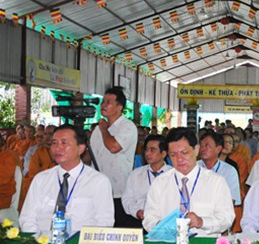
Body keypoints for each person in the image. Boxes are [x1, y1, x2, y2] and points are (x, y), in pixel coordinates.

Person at [20, 124, 114, 233]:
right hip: (43, 241)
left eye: (64, 143)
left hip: (81, 242)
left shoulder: (98, 182)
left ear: (80, 148)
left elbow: (104, 223)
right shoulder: (41, 179)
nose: (57, 148)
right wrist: (40, 240)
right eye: (54, 143)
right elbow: (27, 218)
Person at [143, 128, 234, 236]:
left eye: (184, 153)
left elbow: (227, 218)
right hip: (168, 243)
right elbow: (148, 218)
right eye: (173, 155)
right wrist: (161, 226)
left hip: (203, 242)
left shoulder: (215, 182)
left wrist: (202, 222)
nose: (179, 159)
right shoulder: (160, 183)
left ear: (196, 150)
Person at [89, 86, 138, 228]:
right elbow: (90, 156)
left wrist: (104, 130)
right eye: (103, 101)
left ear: (119, 107)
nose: (103, 105)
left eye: (108, 102)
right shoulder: (98, 129)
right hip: (97, 190)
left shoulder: (127, 127)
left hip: (118, 192)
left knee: (117, 231)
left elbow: (114, 147)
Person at [121, 135, 172, 223]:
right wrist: (137, 212)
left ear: (163, 154)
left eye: (152, 150)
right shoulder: (136, 174)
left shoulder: (173, 174)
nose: (147, 153)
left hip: (167, 221)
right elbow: (127, 199)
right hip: (140, 220)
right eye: (146, 149)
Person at [197, 131, 241, 207]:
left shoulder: (229, 171)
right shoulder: (193, 167)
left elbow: (230, 202)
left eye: (207, 145)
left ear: (218, 149)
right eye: (201, 145)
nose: (202, 149)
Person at [19, 125, 56, 211]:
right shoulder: (39, 151)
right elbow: (32, 172)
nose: (47, 137)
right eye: (45, 134)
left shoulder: (62, 150)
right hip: (40, 183)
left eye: (50, 134)